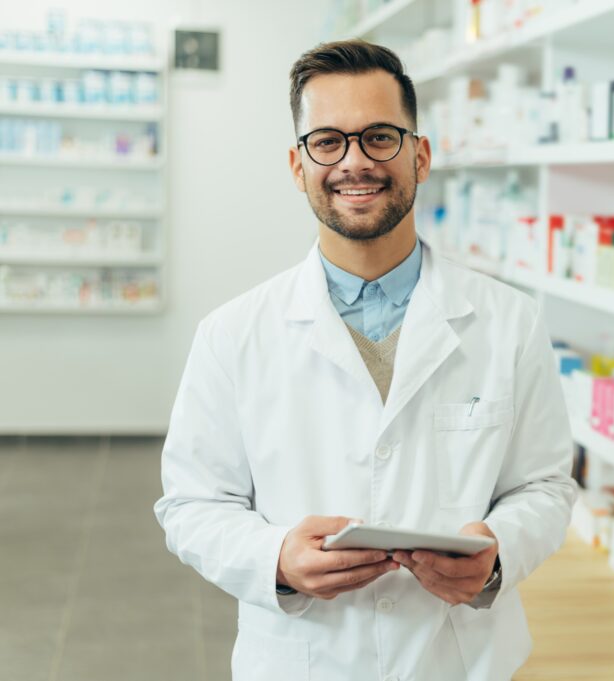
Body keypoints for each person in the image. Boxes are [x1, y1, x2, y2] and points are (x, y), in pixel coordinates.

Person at [153, 39, 576, 681]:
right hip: (302, 660)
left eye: (380, 137)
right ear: (298, 165)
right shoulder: (233, 334)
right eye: (328, 141)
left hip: (461, 659)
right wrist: (275, 557)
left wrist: (497, 554)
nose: (355, 162)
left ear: (421, 155)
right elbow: (190, 504)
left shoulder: (509, 322)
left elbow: (544, 486)